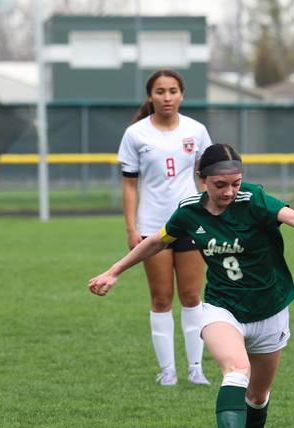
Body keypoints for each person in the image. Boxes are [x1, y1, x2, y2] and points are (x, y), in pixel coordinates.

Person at [89, 143, 294, 428]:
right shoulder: (189, 213)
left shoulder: (254, 200)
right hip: (222, 308)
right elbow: (156, 242)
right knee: (235, 370)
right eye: (220, 185)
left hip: (270, 308)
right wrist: (114, 271)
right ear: (202, 180)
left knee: (258, 396)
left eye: (235, 183)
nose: (229, 192)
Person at [118, 69, 213, 386]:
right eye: (160, 91)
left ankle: (195, 368)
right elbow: (130, 186)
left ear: (182, 94)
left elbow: (207, 177)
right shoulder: (136, 134)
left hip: (190, 223)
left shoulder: (196, 130)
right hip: (153, 227)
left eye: (173, 90)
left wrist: (209, 213)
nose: (167, 97)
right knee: (161, 298)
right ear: (150, 96)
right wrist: (132, 228)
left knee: (191, 296)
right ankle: (167, 371)